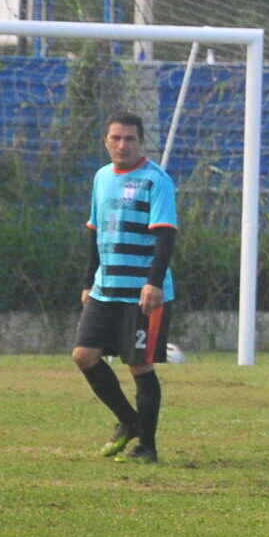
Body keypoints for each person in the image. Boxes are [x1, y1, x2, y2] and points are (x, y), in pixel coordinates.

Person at [73, 111, 176, 465]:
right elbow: (94, 230)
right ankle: (130, 421)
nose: (122, 145)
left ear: (140, 142)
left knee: (139, 366)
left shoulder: (155, 180)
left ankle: (147, 446)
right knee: (84, 355)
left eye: (129, 139)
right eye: (116, 138)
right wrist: (89, 280)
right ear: (106, 141)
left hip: (141, 294)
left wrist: (153, 282)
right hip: (106, 289)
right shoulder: (102, 177)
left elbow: (165, 235)